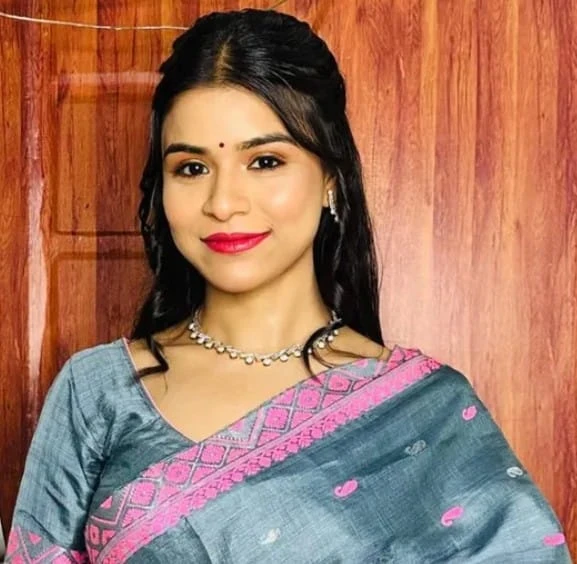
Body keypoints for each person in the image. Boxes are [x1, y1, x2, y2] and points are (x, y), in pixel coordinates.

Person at [6, 8, 572, 563]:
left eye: (265, 161)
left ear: (331, 179)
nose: (223, 203)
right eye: (192, 168)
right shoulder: (97, 393)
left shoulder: (427, 413)